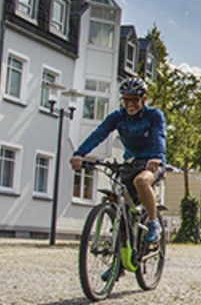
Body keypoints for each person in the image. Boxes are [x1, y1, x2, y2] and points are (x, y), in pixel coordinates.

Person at [70, 78, 167, 244]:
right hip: (130, 163)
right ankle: (120, 254)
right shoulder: (118, 117)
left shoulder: (154, 116)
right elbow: (99, 134)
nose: (130, 104)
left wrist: (157, 157)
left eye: (134, 100)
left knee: (141, 181)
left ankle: (153, 222)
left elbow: (159, 136)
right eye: (126, 100)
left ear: (143, 99)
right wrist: (80, 153)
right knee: (120, 202)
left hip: (151, 164)